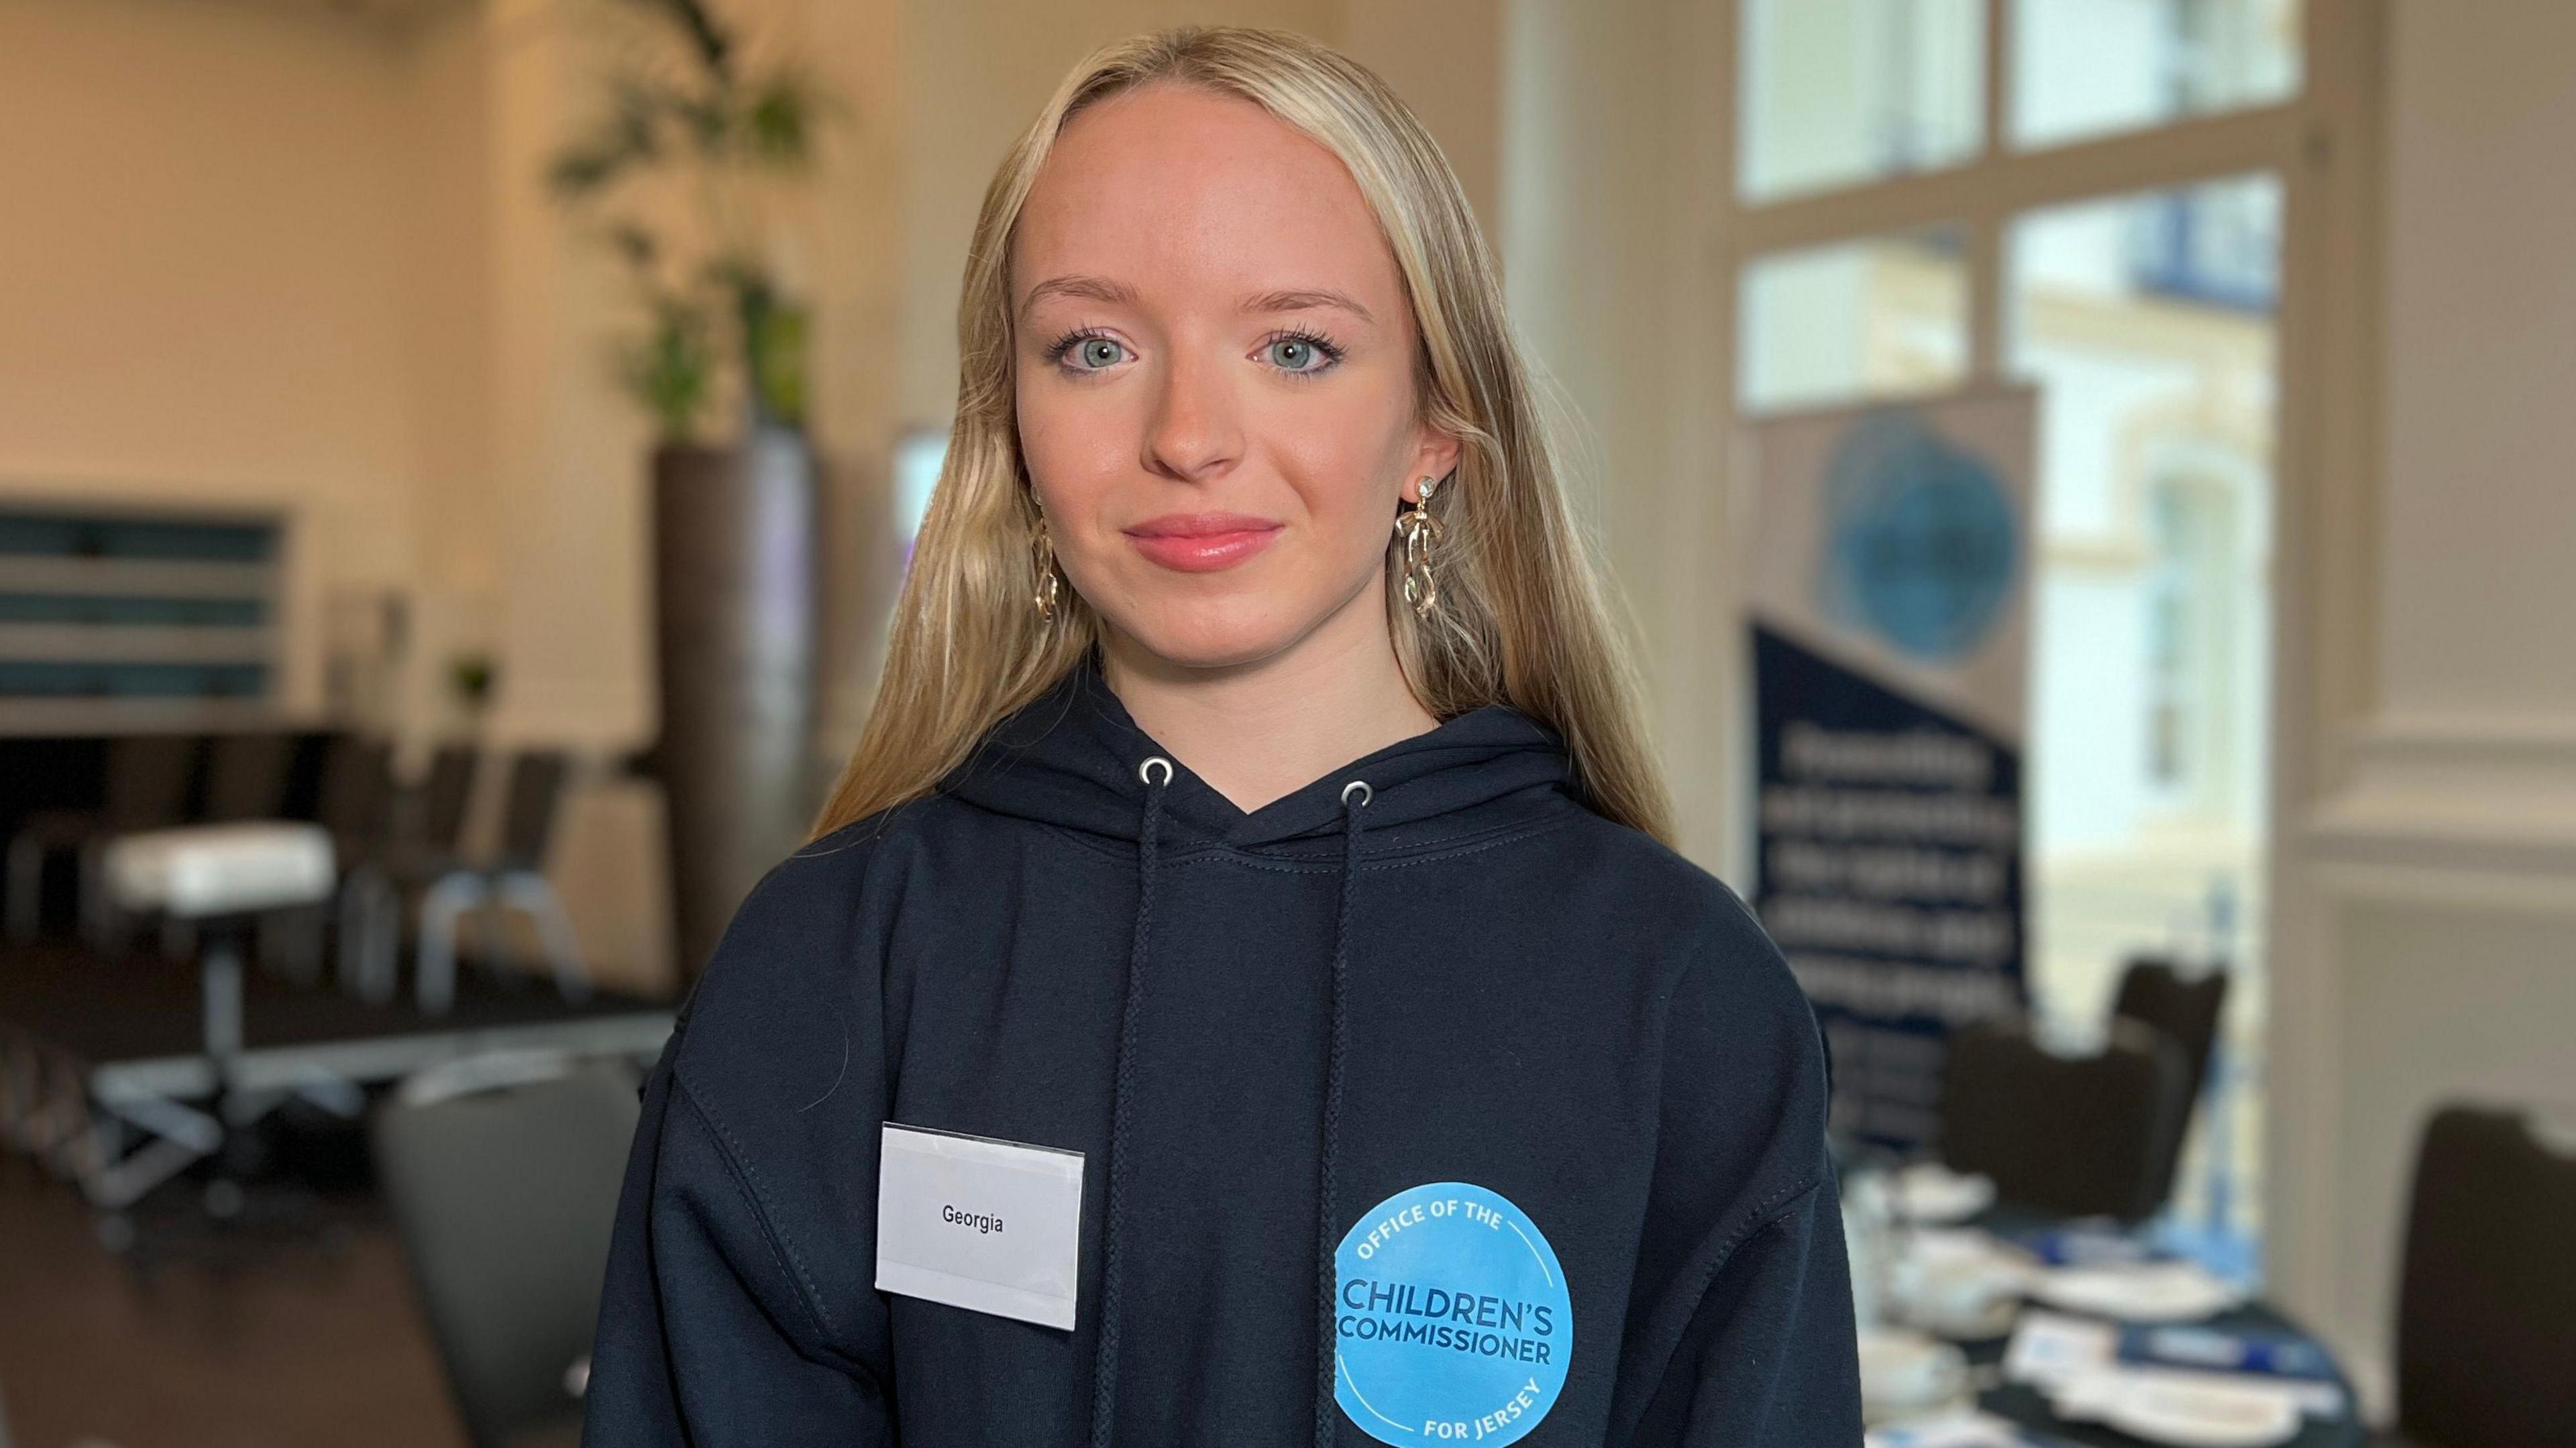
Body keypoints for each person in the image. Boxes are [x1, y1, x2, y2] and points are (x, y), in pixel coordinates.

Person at [583, 23, 1860, 1447]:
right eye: (1096, 346)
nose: (1190, 434)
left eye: (1296, 346)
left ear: (1434, 426)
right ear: (1011, 425)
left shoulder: (1678, 993)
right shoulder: (835, 965)